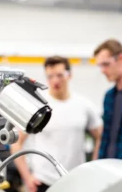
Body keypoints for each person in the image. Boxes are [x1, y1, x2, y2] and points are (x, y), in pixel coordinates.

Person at [10, 56, 103, 192]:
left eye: (60, 75)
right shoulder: (37, 106)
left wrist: (93, 167)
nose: (55, 80)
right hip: (43, 182)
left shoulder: (84, 105)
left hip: (75, 180)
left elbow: (101, 136)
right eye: (50, 76)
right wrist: (27, 177)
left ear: (69, 75)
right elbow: (16, 142)